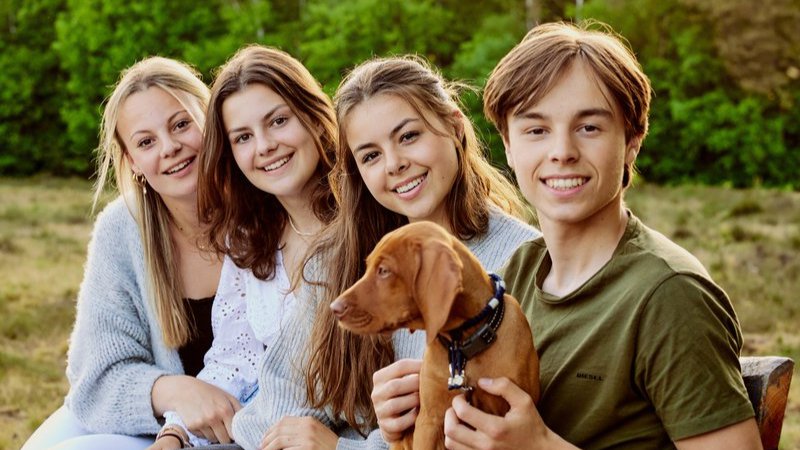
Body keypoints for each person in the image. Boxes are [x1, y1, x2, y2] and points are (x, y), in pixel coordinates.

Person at [440, 21, 762, 449]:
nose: (562, 151)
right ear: (509, 149)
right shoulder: (515, 274)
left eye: (589, 127)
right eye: (536, 130)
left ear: (632, 142)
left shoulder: (668, 296)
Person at [231, 55, 539, 450]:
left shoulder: (522, 259)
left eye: (409, 136)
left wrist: (356, 445)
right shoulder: (338, 260)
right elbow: (270, 413)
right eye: (371, 155)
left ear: (455, 128)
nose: (395, 164)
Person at [21, 57, 244, 450]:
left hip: (235, 428)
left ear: (212, 122)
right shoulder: (122, 230)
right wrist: (174, 391)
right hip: (147, 420)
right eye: (146, 141)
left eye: (181, 124)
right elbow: (96, 375)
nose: (170, 147)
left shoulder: (263, 209)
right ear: (133, 162)